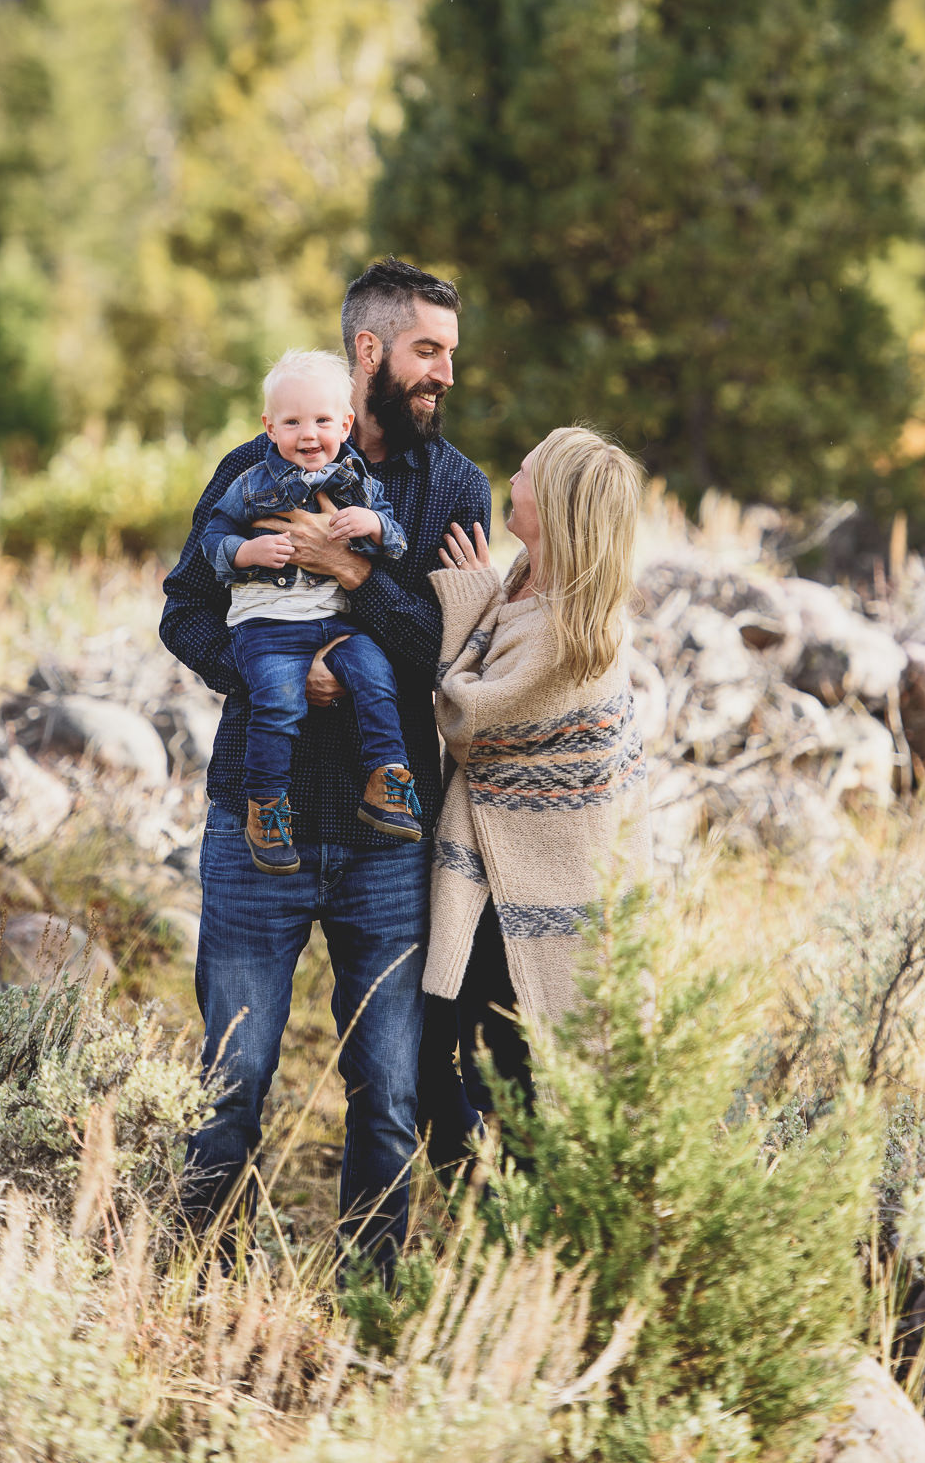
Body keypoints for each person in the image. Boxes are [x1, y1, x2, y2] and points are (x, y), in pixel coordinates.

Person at [160, 259, 490, 1264]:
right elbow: (182, 610)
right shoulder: (249, 467)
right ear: (367, 352)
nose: (440, 374)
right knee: (229, 1083)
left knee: (386, 1093)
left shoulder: (451, 489)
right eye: (425, 351)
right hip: (256, 828)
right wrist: (270, 671)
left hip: (388, 839)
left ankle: (370, 1286)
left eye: (448, 355)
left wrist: (350, 567)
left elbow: (445, 651)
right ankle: (193, 1289)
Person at [421, 425, 651, 1169]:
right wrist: (487, 594)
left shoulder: (568, 631)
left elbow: (469, 723)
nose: (508, 479)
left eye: (522, 473)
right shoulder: (526, 584)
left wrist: (462, 605)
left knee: (520, 1094)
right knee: (483, 1078)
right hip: (505, 881)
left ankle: (527, 1257)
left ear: (549, 504)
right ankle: (495, 1234)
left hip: (538, 900)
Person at [199, 348, 421, 873]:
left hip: (337, 623)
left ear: (345, 424)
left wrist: (371, 526)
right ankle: (267, 808)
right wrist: (245, 553)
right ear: (269, 427)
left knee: (375, 675)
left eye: (322, 421)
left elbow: (397, 539)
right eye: (293, 422)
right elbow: (213, 536)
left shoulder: (357, 483)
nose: (308, 434)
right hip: (268, 627)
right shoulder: (250, 481)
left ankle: (386, 780)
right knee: (278, 705)